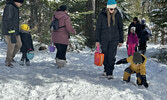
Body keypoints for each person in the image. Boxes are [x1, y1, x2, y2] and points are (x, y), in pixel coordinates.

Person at [95, 0, 124, 79]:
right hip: (104, 39)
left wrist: (121, 40)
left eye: (114, 8)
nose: (113, 10)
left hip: (114, 39)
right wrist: (97, 40)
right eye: (111, 9)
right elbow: (98, 28)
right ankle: (106, 69)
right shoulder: (102, 15)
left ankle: (110, 72)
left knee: (111, 56)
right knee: (105, 55)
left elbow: (120, 28)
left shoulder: (118, 15)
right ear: (107, 8)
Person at [1, 0, 24, 67]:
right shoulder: (9, 7)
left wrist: (16, 30)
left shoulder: (15, 7)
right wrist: (11, 30)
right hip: (9, 30)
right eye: (20, 3)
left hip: (15, 30)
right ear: (16, 1)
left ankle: (11, 57)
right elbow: (8, 20)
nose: (21, 4)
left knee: (19, 44)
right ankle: (8, 61)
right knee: (11, 45)